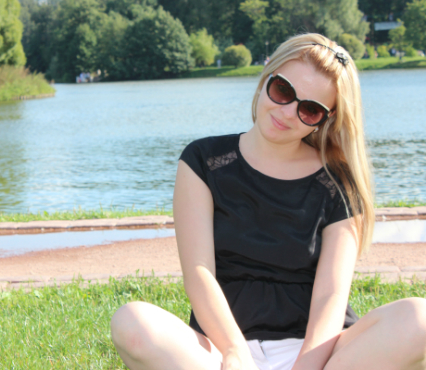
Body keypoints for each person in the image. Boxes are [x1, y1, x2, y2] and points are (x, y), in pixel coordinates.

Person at [110, 33, 426, 370]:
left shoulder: (338, 182)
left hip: (320, 357)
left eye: (310, 109)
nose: (287, 112)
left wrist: (307, 366)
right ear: (267, 76)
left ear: (327, 118)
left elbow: (330, 296)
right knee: (132, 321)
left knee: (419, 318)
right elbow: (199, 274)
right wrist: (234, 353)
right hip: (219, 351)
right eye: (283, 90)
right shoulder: (203, 160)